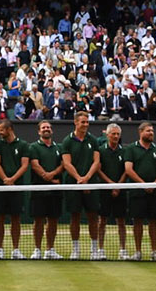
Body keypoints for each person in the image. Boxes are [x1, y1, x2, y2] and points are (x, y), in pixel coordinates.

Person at [60, 110, 104, 260]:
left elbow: (96, 161)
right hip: (73, 184)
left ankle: (94, 250)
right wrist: (79, 179)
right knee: (75, 217)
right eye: (83, 122)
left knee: (93, 217)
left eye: (87, 122)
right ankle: (75, 250)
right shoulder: (67, 141)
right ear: (76, 123)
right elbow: (66, 163)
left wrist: (87, 178)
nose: (85, 125)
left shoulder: (93, 140)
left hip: (91, 184)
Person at [0, 118, 30, 259]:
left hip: (16, 188)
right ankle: (0, 249)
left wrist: (13, 180)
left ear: (9, 129)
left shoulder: (23, 145)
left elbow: (24, 165)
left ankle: (16, 249)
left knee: (16, 218)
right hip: (1, 187)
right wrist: (6, 179)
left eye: (1, 129)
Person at [122, 121, 156, 261]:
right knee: (137, 221)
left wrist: (154, 184)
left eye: (152, 131)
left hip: (154, 191)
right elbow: (128, 170)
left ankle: (154, 252)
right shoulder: (131, 149)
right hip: (137, 191)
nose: (151, 133)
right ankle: (138, 251)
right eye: (148, 131)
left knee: (153, 222)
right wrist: (143, 184)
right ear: (141, 132)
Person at [27, 120, 64, 259]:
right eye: (43, 128)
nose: (46, 129)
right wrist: (46, 176)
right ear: (39, 131)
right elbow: (35, 165)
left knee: (53, 220)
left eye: (48, 127)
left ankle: (50, 249)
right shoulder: (34, 147)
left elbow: (63, 164)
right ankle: (37, 249)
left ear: (52, 131)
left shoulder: (58, 147)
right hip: (39, 189)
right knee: (38, 220)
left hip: (55, 190)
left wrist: (52, 175)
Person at [97, 122, 126, 259]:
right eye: (113, 134)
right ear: (107, 135)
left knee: (121, 221)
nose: (115, 136)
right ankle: (100, 249)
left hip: (121, 190)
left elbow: (126, 170)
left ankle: (123, 250)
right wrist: (110, 184)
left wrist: (118, 185)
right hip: (104, 190)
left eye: (117, 134)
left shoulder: (124, 151)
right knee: (102, 221)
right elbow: (98, 169)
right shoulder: (100, 151)